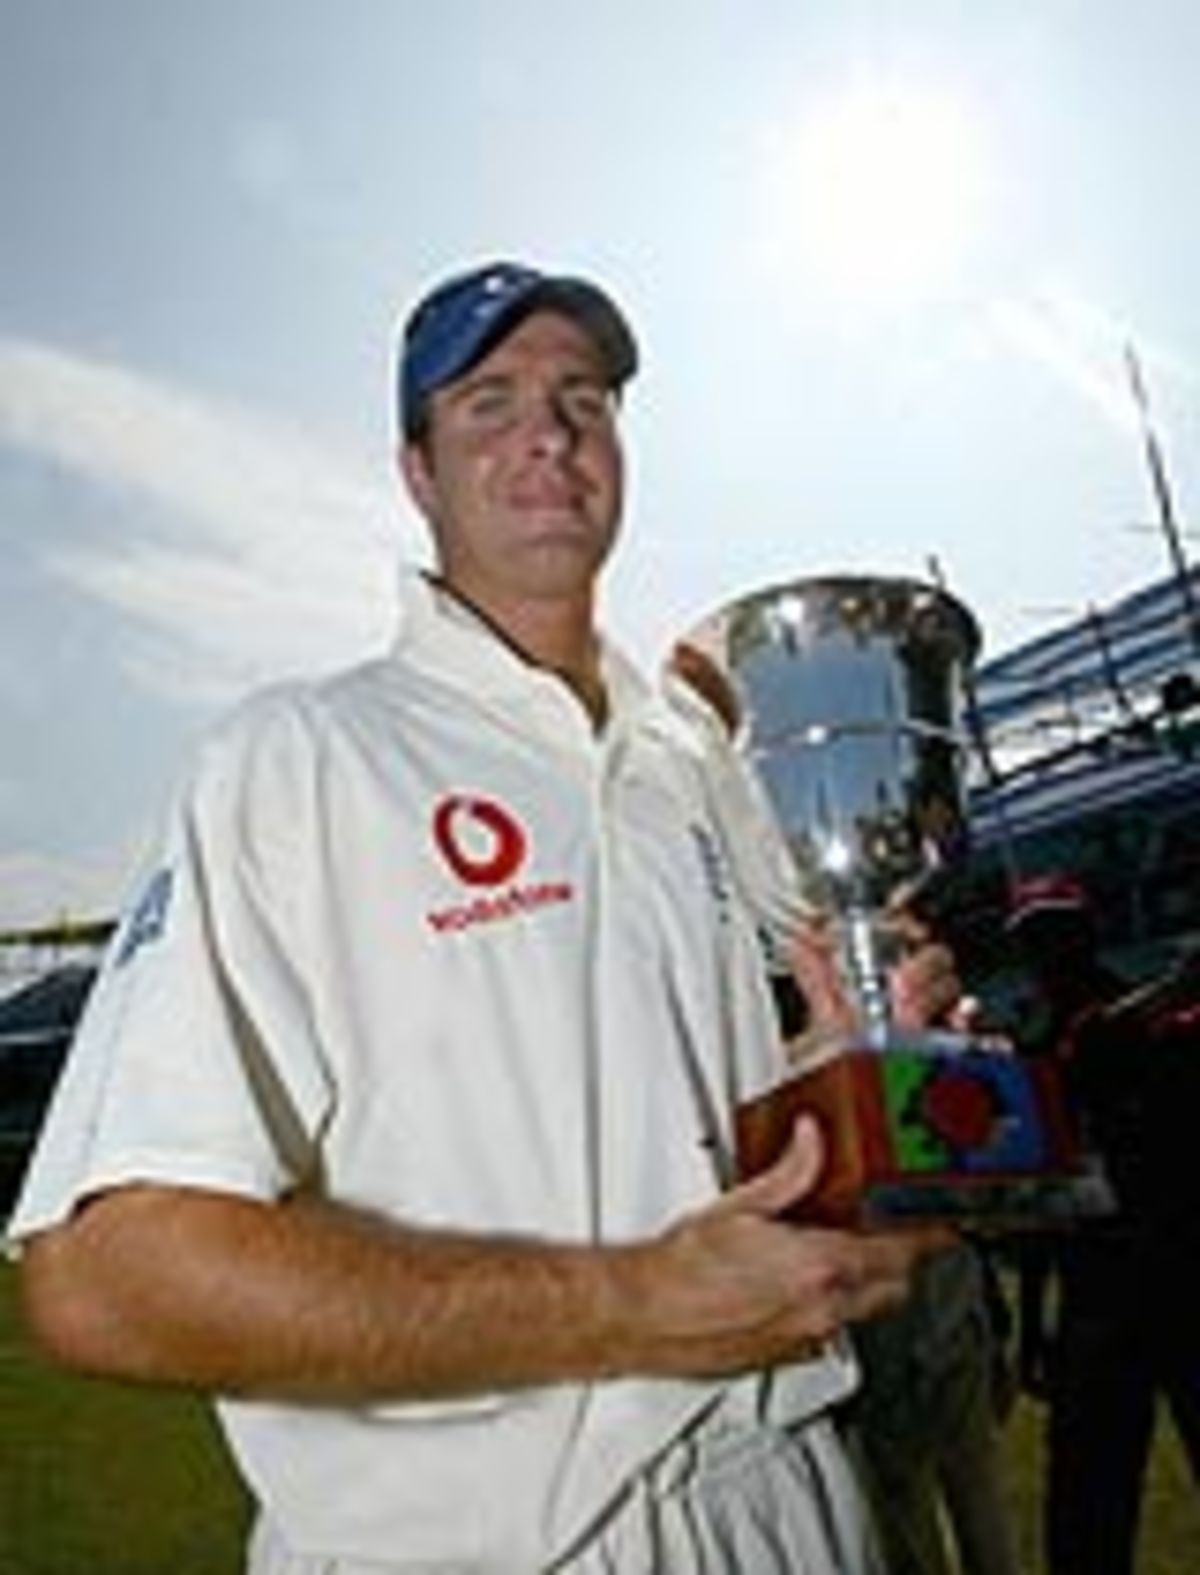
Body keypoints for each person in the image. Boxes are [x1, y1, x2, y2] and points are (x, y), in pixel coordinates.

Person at [8, 260, 956, 1575]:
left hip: (791, 1500)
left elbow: (685, 1141)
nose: (550, 433)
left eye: (584, 397)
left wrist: (845, 1081)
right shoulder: (302, 755)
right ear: (417, 470)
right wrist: (628, 1305)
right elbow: (104, 1273)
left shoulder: (703, 761)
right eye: (490, 400)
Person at [1006, 872, 1200, 1575]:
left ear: (1087, 932)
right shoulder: (1038, 1042)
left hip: (1178, 1281)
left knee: (1087, 1508)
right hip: (1098, 1298)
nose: (1044, 953)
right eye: (1031, 939)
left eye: (1055, 932)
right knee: (1086, 1519)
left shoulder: (1164, 1024)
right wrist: (1031, 1322)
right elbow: (1034, 1204)